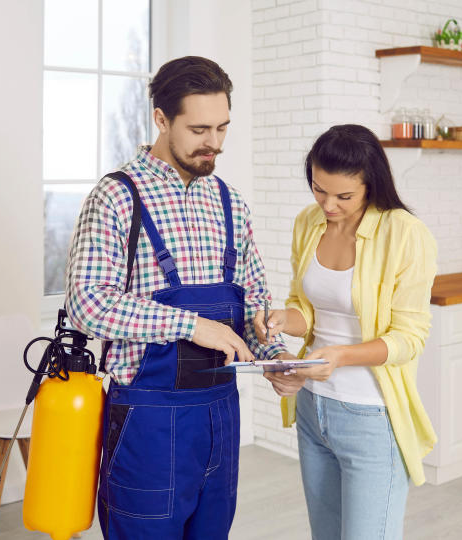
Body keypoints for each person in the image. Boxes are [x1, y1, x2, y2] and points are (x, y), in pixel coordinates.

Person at [65, 56, 292, 540]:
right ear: (162, 119)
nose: (214, 143)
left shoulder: (230, 202)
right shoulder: (117, 197)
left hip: (220, 417)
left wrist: (277, 360)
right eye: (199, 129)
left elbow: (254, 304)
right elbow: (88, 302)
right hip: (149, 422)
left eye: (223, 128)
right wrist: (191, 324)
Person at [253, 124, 438, 540]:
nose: (328, 205)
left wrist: (338, 358)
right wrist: (284, 318)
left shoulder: (404, 233)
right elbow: (309, 310)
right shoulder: (308, 222)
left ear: (371, 185)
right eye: (319, 190)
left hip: (370, 414)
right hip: (313, 410)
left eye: (343, 196)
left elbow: (410, 337)